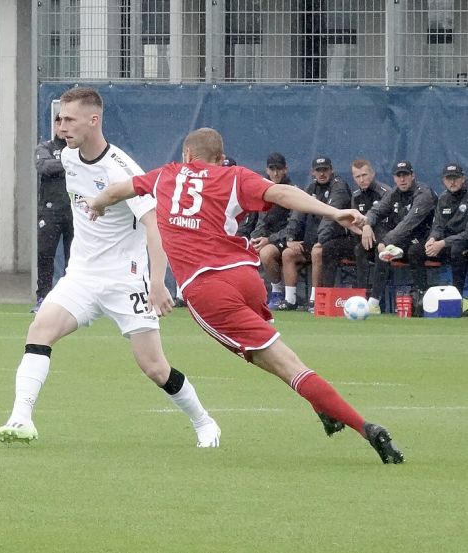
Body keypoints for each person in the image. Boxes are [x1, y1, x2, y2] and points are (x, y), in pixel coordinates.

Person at [87, 127, 403, 464]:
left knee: (285, 365)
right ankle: (321, 406)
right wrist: (333, 212)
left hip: (207, 288)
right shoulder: (233, 176)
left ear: (187, 156)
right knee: (275, 357)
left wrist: (97, 203)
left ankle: (365, 427)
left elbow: (119, 190)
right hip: (246, 277)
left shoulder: (165, 174)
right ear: (220, 159)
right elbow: (281, 193)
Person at [0, 88, 221, 448]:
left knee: (154, 368)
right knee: (40, 330)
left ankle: (204, 421)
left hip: (125, 280)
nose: (61, 126)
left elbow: (154, 224)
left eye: (69, 119)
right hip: (82, 276)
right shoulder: (68, 157)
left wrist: (159, 283)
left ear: (93, 120)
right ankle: (20, 419)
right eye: (60, 118)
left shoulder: (121, 169)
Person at [272, 156, 351, 311]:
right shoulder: (311, 188)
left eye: (325, 170)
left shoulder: (339, 187)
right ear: (312, 172)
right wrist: (290, 238)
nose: (322, 174)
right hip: (312, 241)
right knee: (288, 253)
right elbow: (297, 213)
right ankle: (290, 300)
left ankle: (316, 300)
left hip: (334, 241)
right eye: (318, 170)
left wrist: (320, 240)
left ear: (331, 170)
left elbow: (330, 218)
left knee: (317, 251)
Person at [364, 160, 437, 311]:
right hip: (402, 240)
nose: (402, 180)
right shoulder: (394, 193)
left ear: (413, 176)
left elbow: (409, 223)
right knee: (379, 250)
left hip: (425, 239)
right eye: (398, 176)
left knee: (412, 250)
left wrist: (386, 241)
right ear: (394, 178)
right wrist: (366, 225)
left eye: (405, 175)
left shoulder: (423, 193)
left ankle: (420, 298)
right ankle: (374, 301)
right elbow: (375, 211)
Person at [32, 115, 74, 313]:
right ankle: (43, 297)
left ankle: (72, 299)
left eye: (65, 122)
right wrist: (70, 164)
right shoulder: (46, 147)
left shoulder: (78, 148)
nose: (61, 126)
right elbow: (45, 167)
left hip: (74, 212)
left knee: (73, 258)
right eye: (58, 122)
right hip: (50, 212)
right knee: (45, 253)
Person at [409, 163, 467, 295]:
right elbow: (438, 226)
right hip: (445, 244)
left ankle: (457, 297)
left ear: (463, 178)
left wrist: (442, 243)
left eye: (456, 178)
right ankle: (422, 295)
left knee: (458, 249)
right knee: (415, 251)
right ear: (443, 180)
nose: (452, 182)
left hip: (463, 245)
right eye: (448, 178)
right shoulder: (443, 198)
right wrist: (432, 239)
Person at [345, 159, 391, 309]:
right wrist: (364, 228)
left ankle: (375, 301)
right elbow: (354, 222)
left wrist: (368, 226)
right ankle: (361, 297)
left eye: (365, 175)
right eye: (357, 177)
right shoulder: (356, 196)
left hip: (387, 240)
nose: (362, 179)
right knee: (359, 250)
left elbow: (390, 224)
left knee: (382, 252)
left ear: (373, 173)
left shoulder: (385, 193)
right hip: (365, 242)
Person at [252, 153, 293, 308]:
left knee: (266, 253)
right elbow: (261, 222)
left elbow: (292, 227)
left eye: (279, 169)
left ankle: (277, 292)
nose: (275, 173)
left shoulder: (292, 192)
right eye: (272, 169)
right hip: (268, 239)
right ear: (267, 170)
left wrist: (270, 239)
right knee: (244, 249)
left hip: (287, 240)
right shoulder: (265, 191)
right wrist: (254, 238)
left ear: (285, 170)